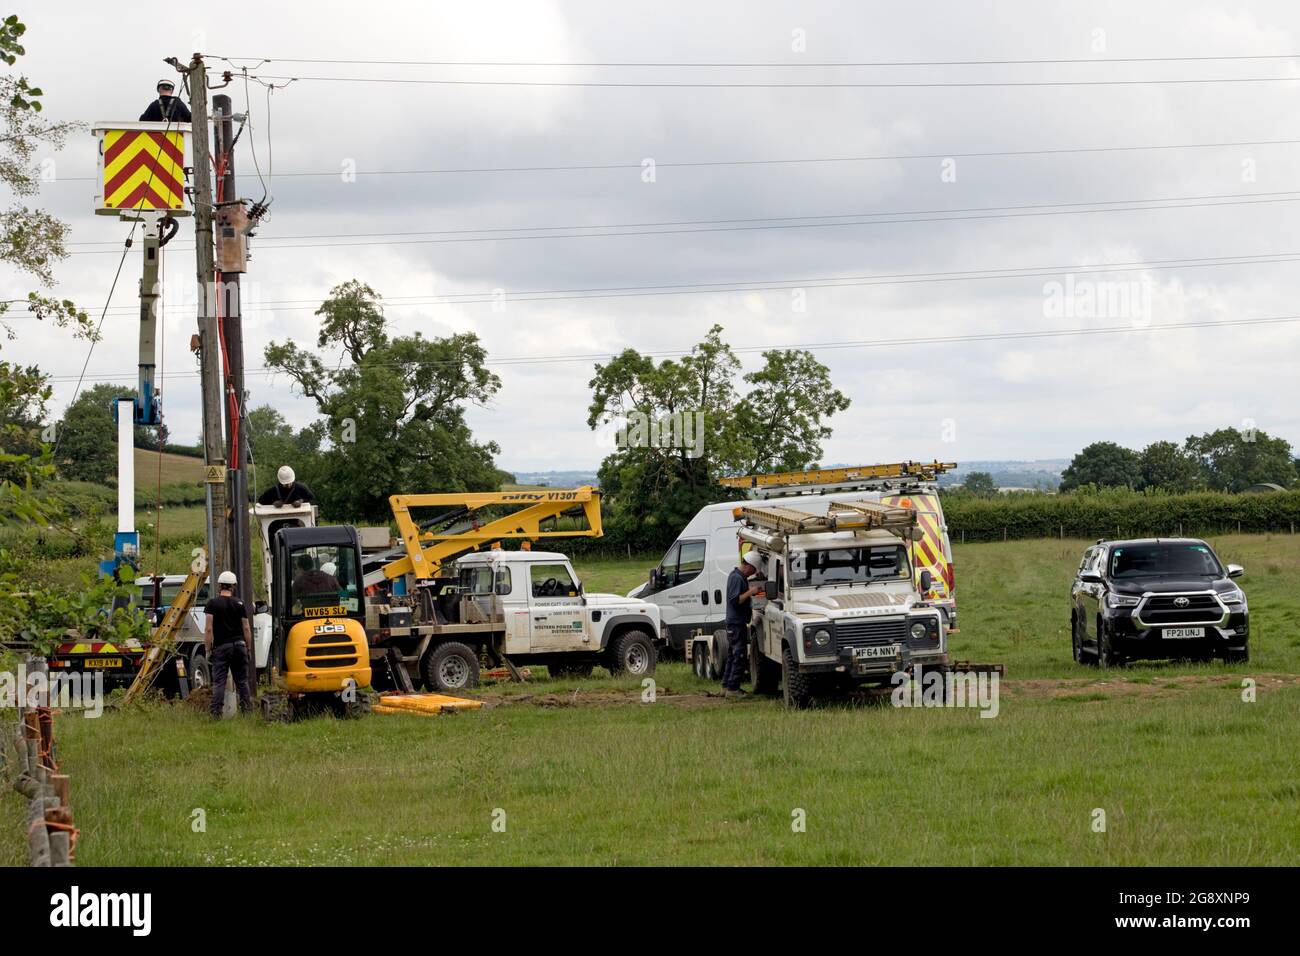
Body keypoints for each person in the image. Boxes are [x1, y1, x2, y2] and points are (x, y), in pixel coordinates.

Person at [203, 570, 253, 718]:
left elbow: (208, 629)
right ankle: (247, 713)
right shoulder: (240, 603)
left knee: (219, 682)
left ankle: (216, 714)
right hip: (239, 645)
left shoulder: (212, 604)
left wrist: (207, 649)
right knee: (242, 681)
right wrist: (248, 648)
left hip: (221, 647)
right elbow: (246, 628)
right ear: (233, 587)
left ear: (220, 586)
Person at [720, 550, 765, 698]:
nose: (752, 573)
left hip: (735, 622)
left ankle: (726, 686)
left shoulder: (739, 577)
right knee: (739, 655)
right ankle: (733, 689)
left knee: (733, 655)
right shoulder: (737, 578)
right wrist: (751, 592)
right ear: (748, 565)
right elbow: (736, 600)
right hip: (736, 623)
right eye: (753, 570)